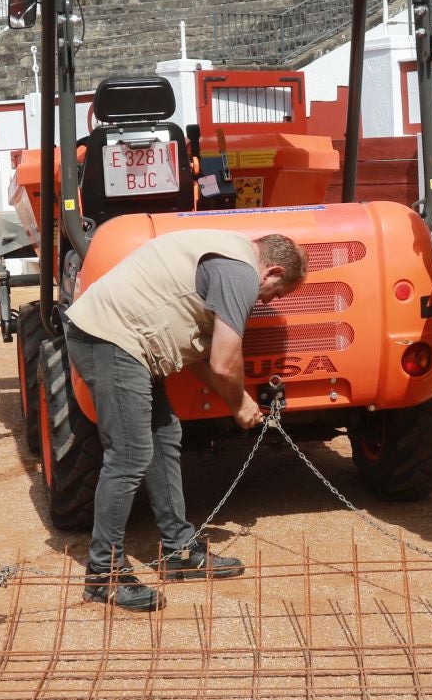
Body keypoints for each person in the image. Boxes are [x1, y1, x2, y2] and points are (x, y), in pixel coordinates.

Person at [63, 231, 307, 611]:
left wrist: (238, 398)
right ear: (272, 269)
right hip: (108, 338)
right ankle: (103, 576)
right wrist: (239, 405)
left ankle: (179, 552)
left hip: (123, 339)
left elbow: (198, 356)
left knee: (164, 434)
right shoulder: (239, 272)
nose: (264, 301)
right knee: (129, 456)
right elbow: (225, 363)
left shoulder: (228, 255)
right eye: (273, 293)